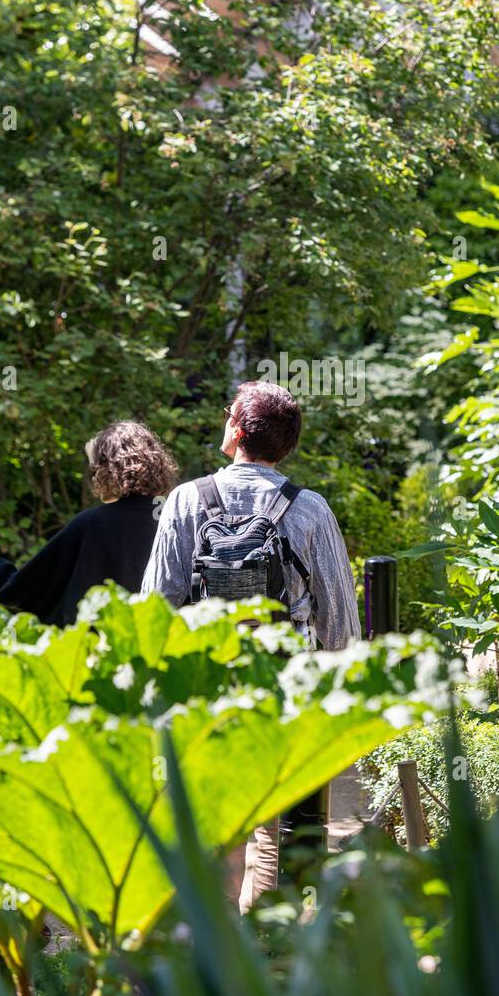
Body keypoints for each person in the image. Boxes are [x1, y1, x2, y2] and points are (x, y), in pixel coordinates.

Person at [141, 381, 360, 909]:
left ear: (236, 429)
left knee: (213, 826)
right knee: (277, 828)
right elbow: (341, 628)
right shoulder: (310, 510)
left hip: (205, 693)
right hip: (286, 692)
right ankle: (268, 946)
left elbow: (153, 609)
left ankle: (212, 950)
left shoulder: (185, 501)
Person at [0, 421, 177, 627]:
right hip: (160, 655)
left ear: (107, 471)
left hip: (97, 660)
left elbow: (22, 590)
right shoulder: (176, 519)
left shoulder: (93, 524)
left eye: (95, 469)